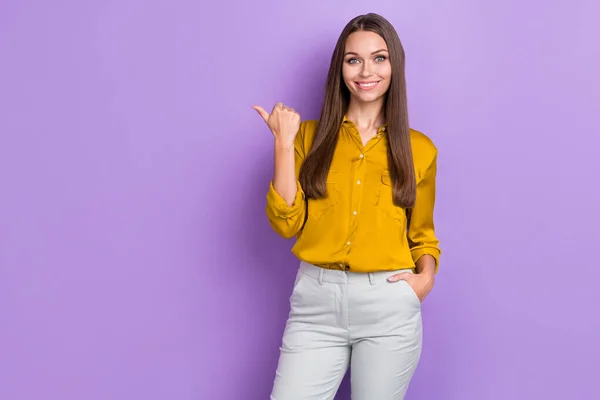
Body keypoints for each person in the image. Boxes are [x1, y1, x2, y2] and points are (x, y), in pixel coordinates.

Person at [252, 12, 441, 400]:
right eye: (353, 59)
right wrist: (283, 144)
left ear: (394, 66)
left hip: (388, 305)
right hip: (316, 305)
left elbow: (422, 235)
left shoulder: (419, 149)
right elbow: (287, 223)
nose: (365, 70)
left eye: (379, 58)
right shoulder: (307, 136)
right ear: (340, 68)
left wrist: (425, 278)